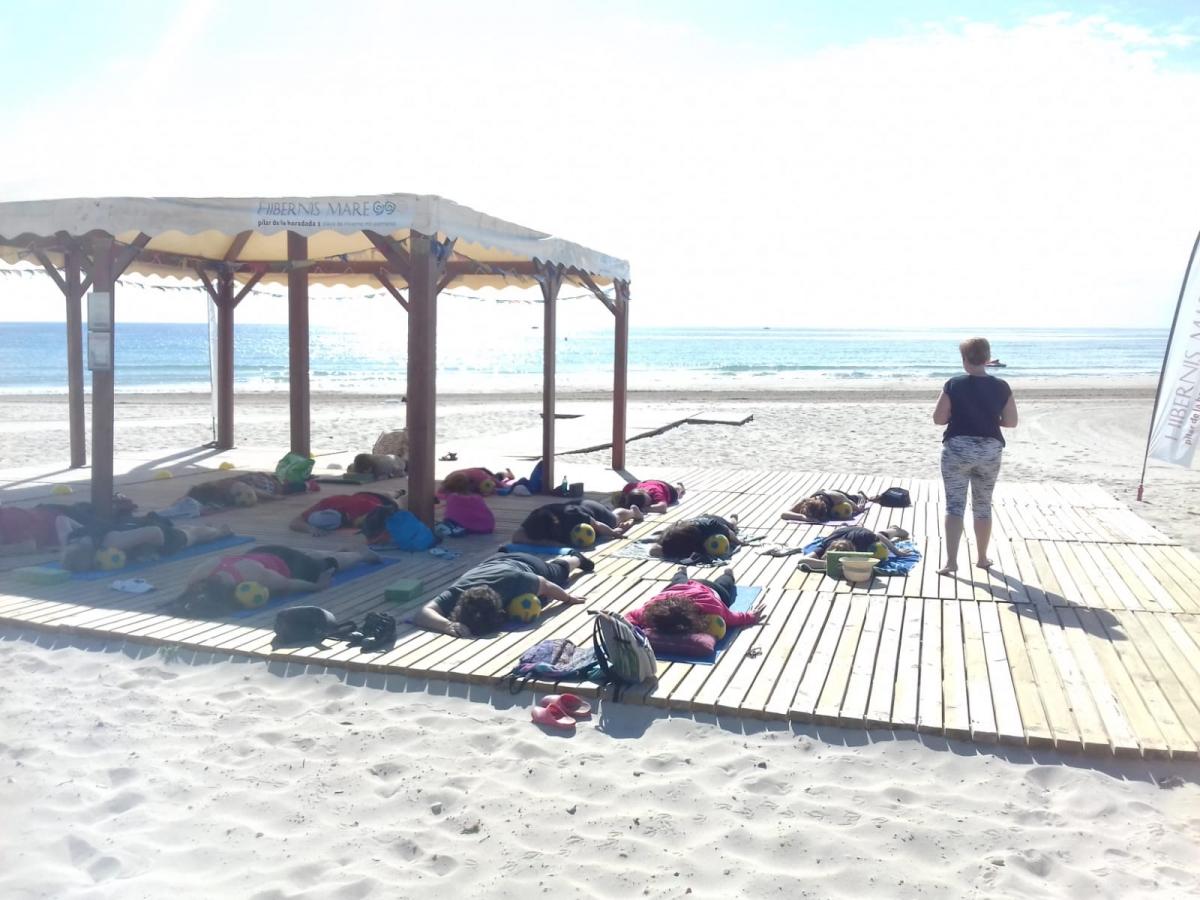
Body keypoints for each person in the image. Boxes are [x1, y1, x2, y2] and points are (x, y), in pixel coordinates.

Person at [932, 337, 1018, 574]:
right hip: (989, 450)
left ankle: (951, 562)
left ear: (964, 359)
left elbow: (938, 419)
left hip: (958, 449)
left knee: (954, 506)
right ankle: (981, 558)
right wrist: (991, 419)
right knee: (983, 505)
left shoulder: (953, 384)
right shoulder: (1001, 386)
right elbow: (1011, 422)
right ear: (988, 359)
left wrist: (958, 417)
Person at [412, 551, 592, 637]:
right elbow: (422, 613)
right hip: (491, 561)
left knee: (559, 571)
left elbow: (546, 585)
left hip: (526, 562)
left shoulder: (514, 581)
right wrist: (447, 625)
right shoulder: (457, 593)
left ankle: (576, 558)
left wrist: (568, 598)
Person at [170, 544, 381, 616]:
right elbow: (188, 595)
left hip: (286, 562)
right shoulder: (198, 576)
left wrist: (317, 586)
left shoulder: (253, 576)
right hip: (258, 552)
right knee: (309, 556)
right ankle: (333, 551)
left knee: (328, 565)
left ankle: (362, 555)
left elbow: (288, 583)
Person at [60, 515, 233, 572]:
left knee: (190, 532)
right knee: (192, 533)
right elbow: (61, 520)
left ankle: (218, 532)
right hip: (143, 532)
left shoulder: (113, 542)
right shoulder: (73, 538)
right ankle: (216, 532)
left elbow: (154, 532)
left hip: (151, 534)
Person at [625, 566, 766, 633]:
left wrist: (751, 616)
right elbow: (629, 617)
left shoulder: (711, 607)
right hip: (677, 588)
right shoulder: (651, 609)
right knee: (679, 581)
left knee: (724, 584)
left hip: (709, 589)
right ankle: (681, 571)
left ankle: (728, 574)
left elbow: (733, 618)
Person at [512, 499, 642, 547]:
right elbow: (517, 536)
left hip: (592, 510)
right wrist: (541, 542)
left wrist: (614, 533)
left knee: (615, 518)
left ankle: (632, 512)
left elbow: (596, 524)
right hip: (571, 506)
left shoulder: (573, 516)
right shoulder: (535, 518)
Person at [795, 525, 911, 571]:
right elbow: (802, 560)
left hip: (861, 533)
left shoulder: (863, 541)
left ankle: (894, 529)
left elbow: (879, 536)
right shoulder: (825, 545)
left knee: (884, 536)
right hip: (840, 532)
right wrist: (827, 564)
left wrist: (898, 552)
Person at [289, 491, 403, 536]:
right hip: (358, 497)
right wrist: (310, 529)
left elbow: (389, 511)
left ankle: (397, 493)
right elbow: (295, 522)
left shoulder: (364, 505)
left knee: (395, 499)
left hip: (375, 498)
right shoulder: (324, 504)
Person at [649, 513, 740, 559]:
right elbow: (653, 550)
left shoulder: (710, 525)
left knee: (732, 528)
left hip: (715, 521)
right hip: (695, 522)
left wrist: (739, 542)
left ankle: (733, 520)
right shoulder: (670, 536)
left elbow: (727, 530)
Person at [186, 472, 288, 509]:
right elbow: (250, 491)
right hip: (269, 484)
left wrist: (273, 497)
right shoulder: (225, 488)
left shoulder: (227, 486)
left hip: (267, 483)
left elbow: (250, 490)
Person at [781, 489, 870, 523]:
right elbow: (784, 514)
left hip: (841, 496)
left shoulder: (837, 498)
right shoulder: (806, 501)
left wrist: (859, 507)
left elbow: (857, 508)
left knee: (858, 500)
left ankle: (860, 494)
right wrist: (803, 517)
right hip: (823, 497)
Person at [620, 479, 685, 514]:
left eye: (649, 502)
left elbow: (663, 507)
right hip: (649, 482)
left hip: (668, 490)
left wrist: (644, 509)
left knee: (677, 492)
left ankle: (680, 487)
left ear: (644, 491)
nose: (651, 501)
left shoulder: (655, 492)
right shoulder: (630, 488)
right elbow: (627, 487)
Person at [439, 466, 516, 496]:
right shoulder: (449, 481)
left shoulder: (481, 476)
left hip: (481, 472)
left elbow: (499, 485)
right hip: (467, 474)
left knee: (496, 478)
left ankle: (507, 475)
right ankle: (506, 475)